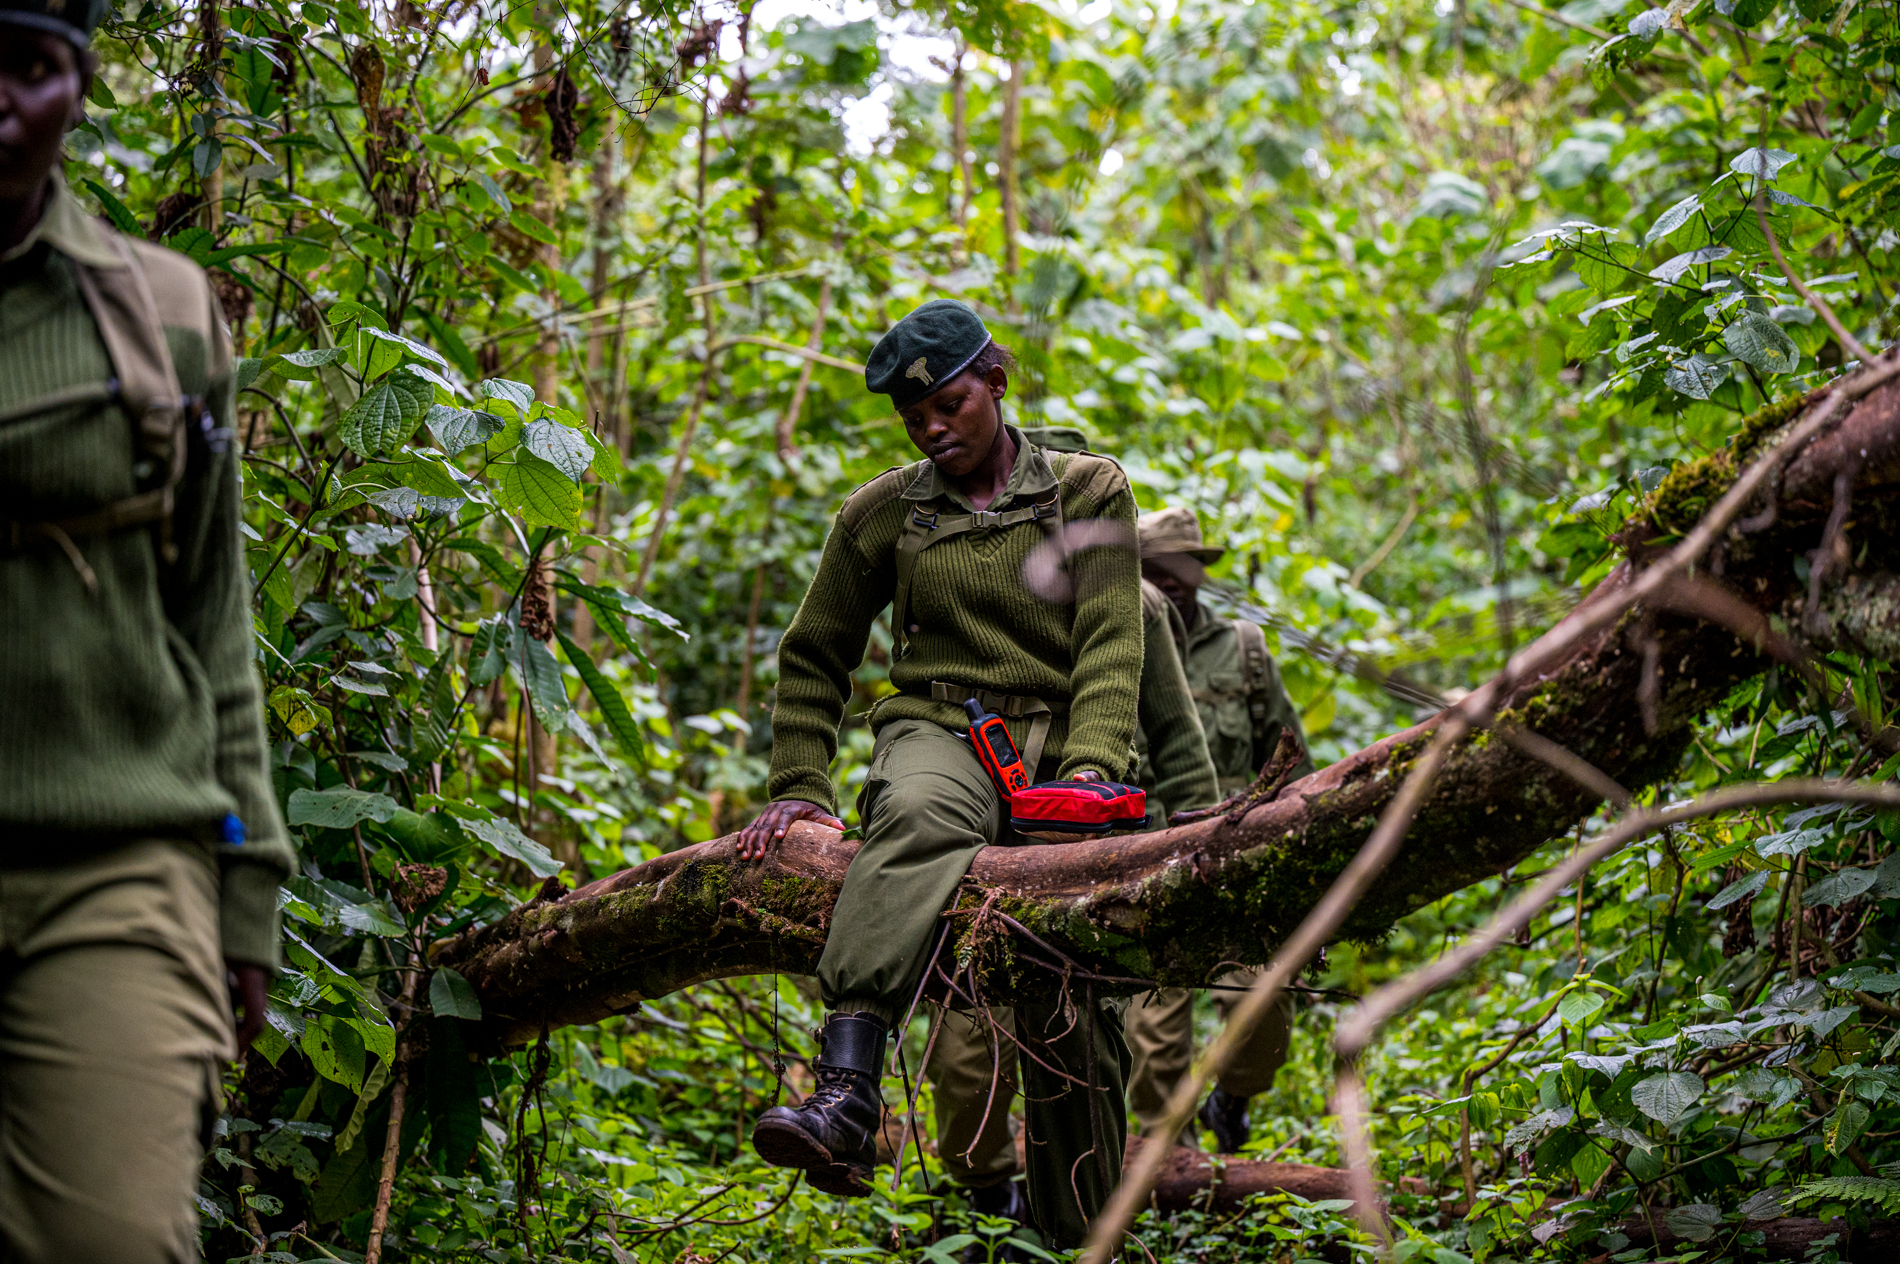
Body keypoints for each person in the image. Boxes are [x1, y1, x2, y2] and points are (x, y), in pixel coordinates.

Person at [739, 299, 1143, 1248]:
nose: (931, 428)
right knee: (914, 812)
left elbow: (1112, 646)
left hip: (1063, 737)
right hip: (944, 727)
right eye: (913, 417)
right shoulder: (884, 512)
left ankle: (1083, 1231)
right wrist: (800, 781)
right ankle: (845, 1092)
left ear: (996, 385)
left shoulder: (1089, 491)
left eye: (950, 405)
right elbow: (815, 652)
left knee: (1068, 974)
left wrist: (1088, 774)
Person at [0, 4, 294, 1260]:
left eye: (29, 67)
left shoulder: (157, 313)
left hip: (114, 862)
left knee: (113, 1235)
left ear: (78, 87)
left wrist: (249, 889)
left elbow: (211, 617)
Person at [922, 429, 1220, 1246]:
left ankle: (1078, 1229)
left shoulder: (1136, 600)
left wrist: (1204, 848)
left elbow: (1177, 733)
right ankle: (987, 1196)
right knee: (966, 1048)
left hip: (1088, 860)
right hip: (975, 851)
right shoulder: (958, 581)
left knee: (1079, 1046)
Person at [1123, 506, 1315, 1153]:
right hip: (1143, 862)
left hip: (1235, 858)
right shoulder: (1115, 644)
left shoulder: (1244, 650)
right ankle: (1162, 1153)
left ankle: (1230, 1100)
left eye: (1184, 566)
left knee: (1264, 1005)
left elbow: (1289, 757)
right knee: (1156, 1026)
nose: (1171, 580)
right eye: (1156, 568)